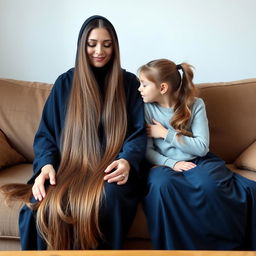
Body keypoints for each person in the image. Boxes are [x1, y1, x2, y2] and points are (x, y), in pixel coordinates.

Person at [1, 15, 146, 250]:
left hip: (111, 170)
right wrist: (46, 165)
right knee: (35, 208)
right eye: (92, 44)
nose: (99, 50)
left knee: (110, 200)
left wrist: (128, 160)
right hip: (70, 168)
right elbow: (46, 135)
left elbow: (138, 133)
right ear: (82, 46)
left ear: (115, 47)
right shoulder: (65, 84)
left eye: (107, 44)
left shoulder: (129, 83)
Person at [137, 58, 256, 250]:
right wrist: (172, 164)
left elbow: (201, 147)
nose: (139, 89)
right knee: (162, 186)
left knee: (211, 186)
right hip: (163, 165)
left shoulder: (195, 104)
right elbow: (147, 151)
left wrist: (165, 134)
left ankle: (224, 248)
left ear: (163, 87)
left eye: (143, 84)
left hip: (199, 160)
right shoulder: (144, 108)